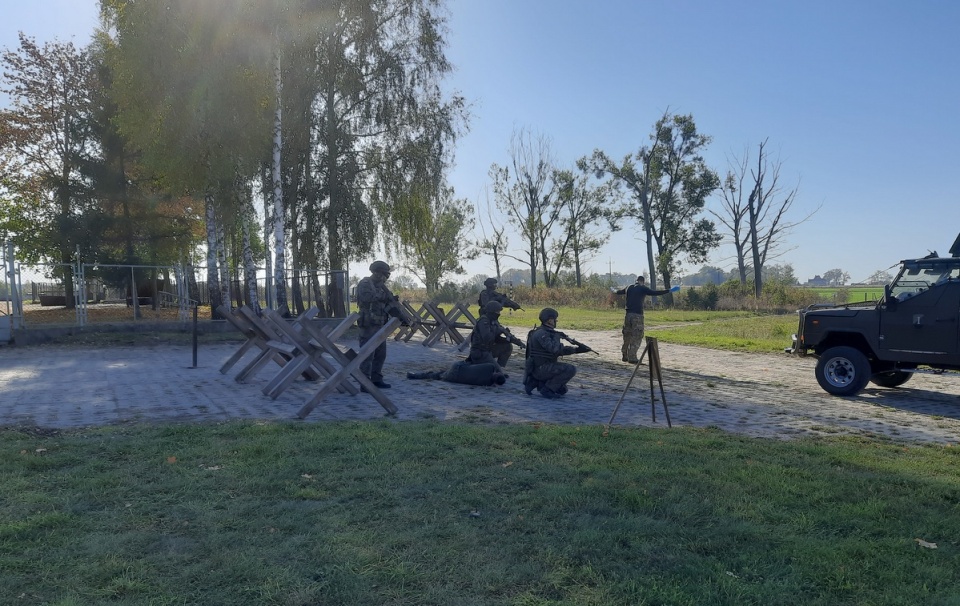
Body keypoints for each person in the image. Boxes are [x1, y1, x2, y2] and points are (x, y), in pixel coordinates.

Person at [356, 260, 404, 389]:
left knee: (380, 354)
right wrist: (384, 296)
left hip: (380, 324)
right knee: (367, 354)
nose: (385, 278)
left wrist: (398, 313)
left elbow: (386, 305)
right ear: (376, 273)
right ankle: (364, 382)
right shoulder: (365, 283)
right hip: (368, 324)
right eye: (384, 275)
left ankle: (376, 379)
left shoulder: (382, 287)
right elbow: (367, 298)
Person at [523, 308, 591, 399]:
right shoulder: (542, 334)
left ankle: (536, 382)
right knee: (570, 369)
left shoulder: (545, 332)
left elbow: (556, 351)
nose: (555, 322)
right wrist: (572, 349)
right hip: (540, 368)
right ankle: (547, 389)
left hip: (541, 367)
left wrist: (577, 350)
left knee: (562, 390)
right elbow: (555, 350)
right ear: (550, 320)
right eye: (555, 320)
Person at [611, 276, 679, 363]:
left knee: (627, 335)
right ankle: (632, 357)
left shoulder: (629, 287)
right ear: (642, 281)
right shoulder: (642, 288)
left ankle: (624, 354)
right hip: (637, 315)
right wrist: (669, 290)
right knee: (637, 336)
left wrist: (613, 290)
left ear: (636, 281)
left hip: (628, 315)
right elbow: (654, 293)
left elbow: (618, 292)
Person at [467, 301, 525, 369]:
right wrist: (499, 331)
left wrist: (513, 341)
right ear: (492, 312)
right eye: (497, 312)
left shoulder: (493, 321)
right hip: (480, 351)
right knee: (497, 373)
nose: (499, 314)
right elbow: (487, 338)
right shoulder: (483, 321)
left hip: (488, 350)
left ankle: (500, 366)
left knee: (507, 346)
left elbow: (496, 338)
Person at [406, 361, 507, 386]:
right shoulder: (487, 383)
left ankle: (415, 376)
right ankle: (415, 376)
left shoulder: (490, 367)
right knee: (437, 375)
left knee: (436, 374)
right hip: (454, 378)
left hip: (458, 367)